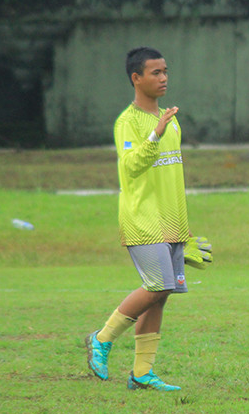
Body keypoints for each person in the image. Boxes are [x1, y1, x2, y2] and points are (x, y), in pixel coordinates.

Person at [84, 47, 212, 392]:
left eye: (165, 71)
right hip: (142, 220)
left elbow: (170, 177)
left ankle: (141, 374)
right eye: (155, 72)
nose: (164, 77)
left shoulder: (171, 120)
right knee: (158, 285)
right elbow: (130, 167)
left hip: (171, 221)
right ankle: (101, 338)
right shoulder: (128, 122)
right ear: (135, 78)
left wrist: (182, 233)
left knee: (162, 295)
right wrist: (154, 134)